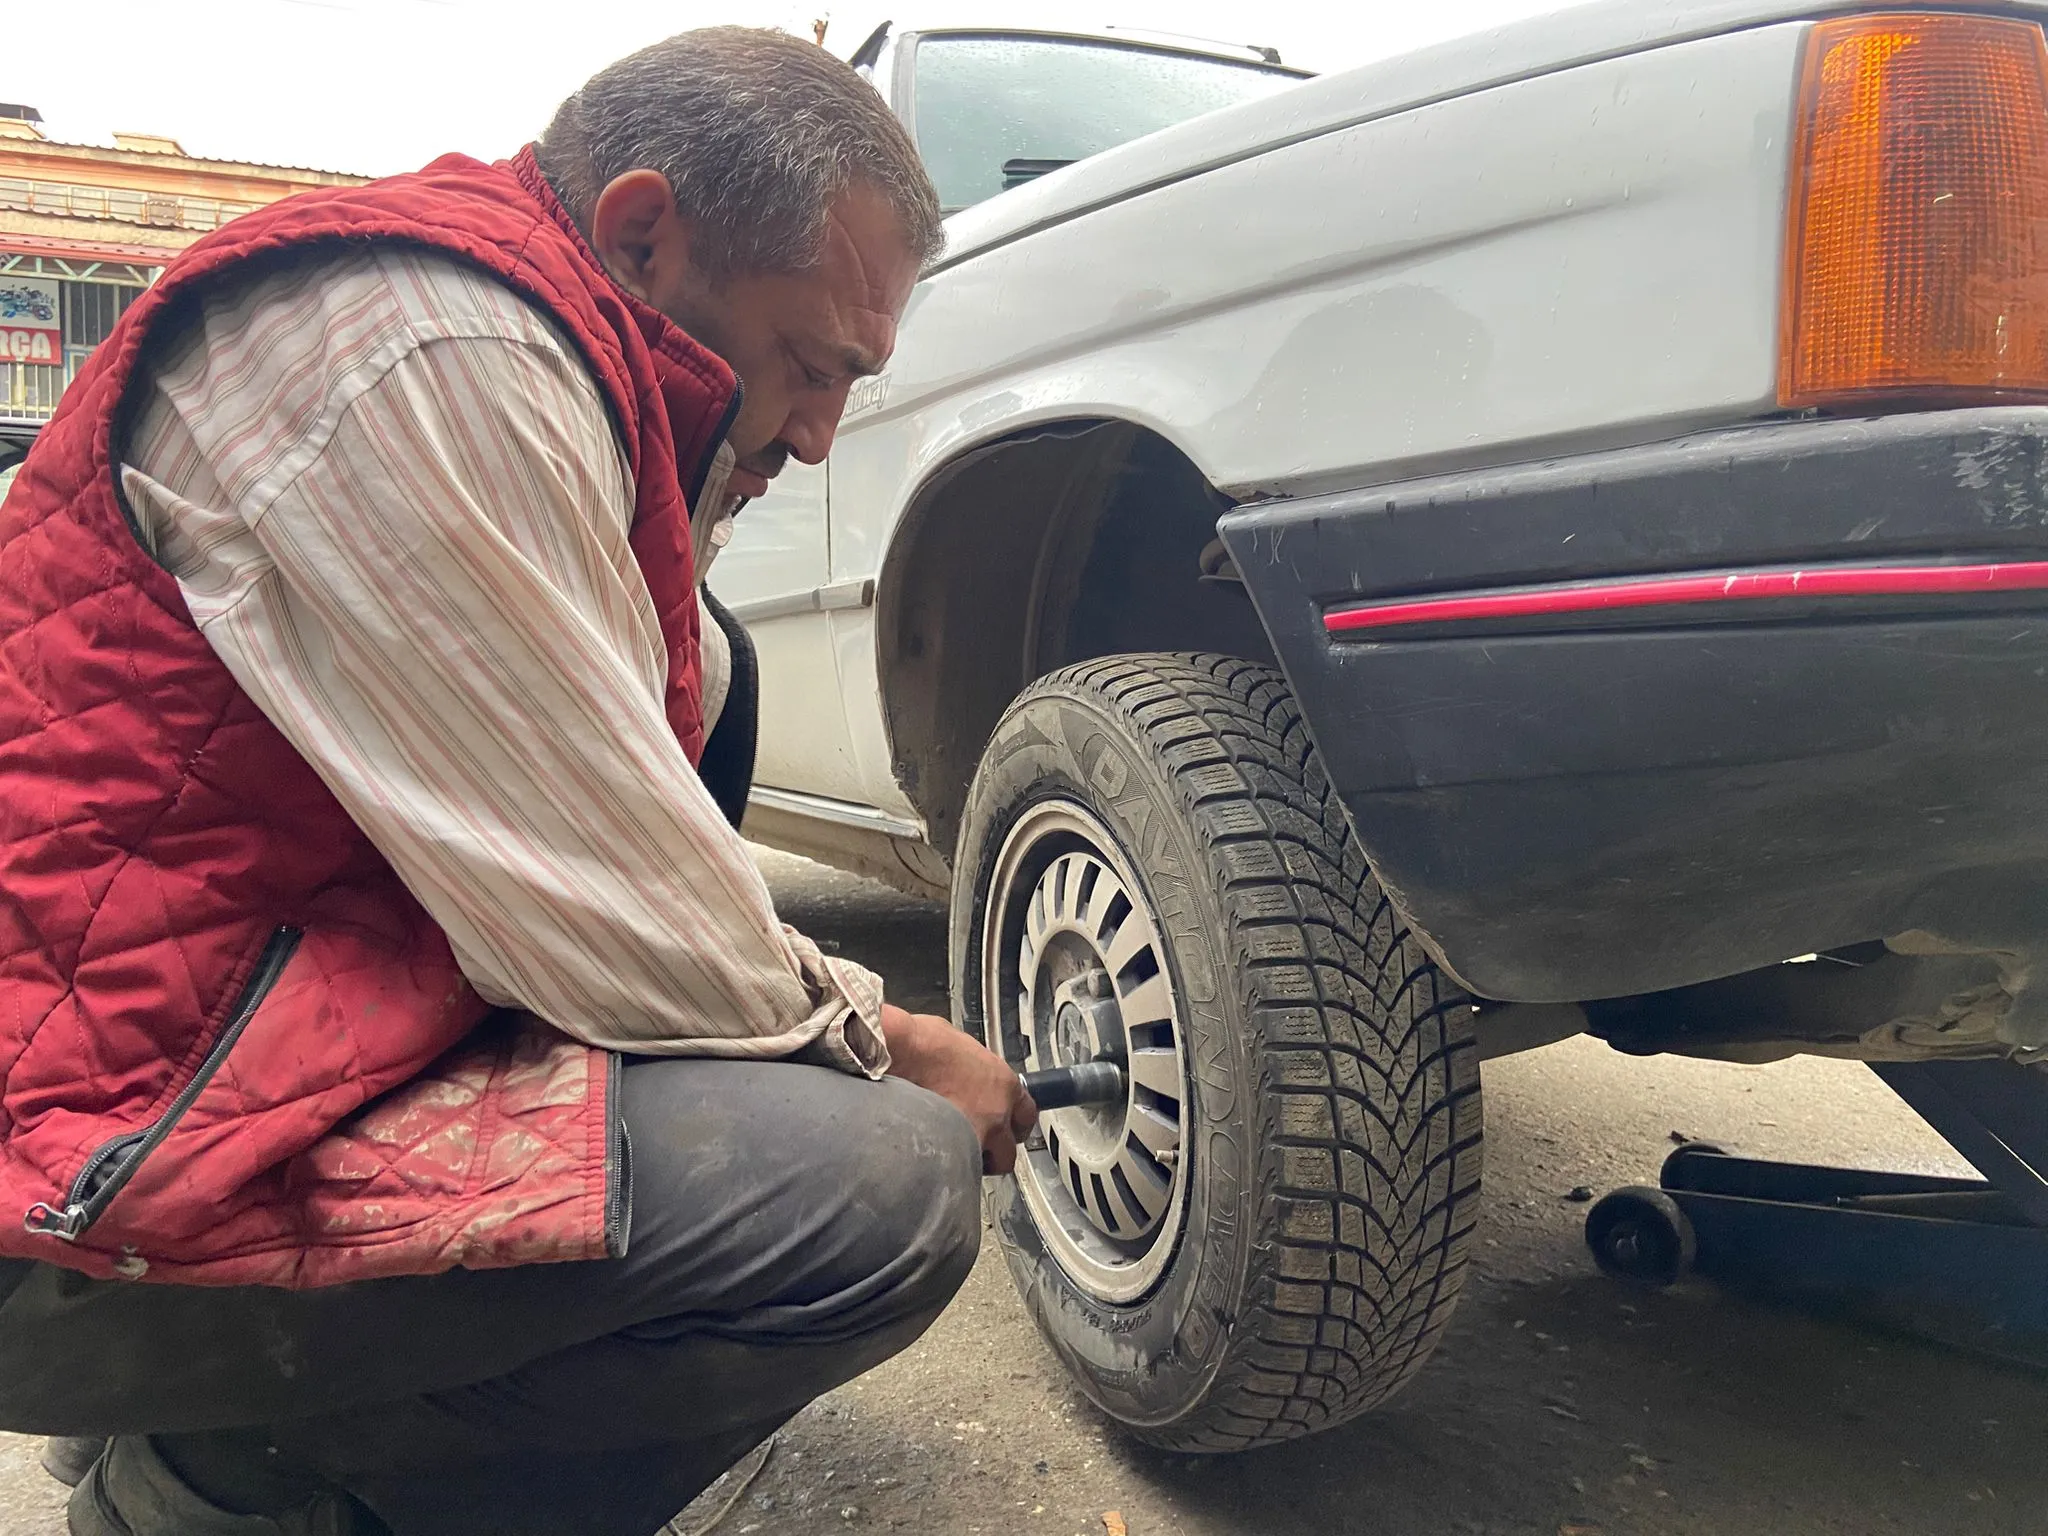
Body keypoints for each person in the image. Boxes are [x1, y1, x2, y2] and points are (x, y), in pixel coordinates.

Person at [0, 27, 1035, 1536]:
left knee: (717, 682)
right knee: (875, 1191)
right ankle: (211, 1491)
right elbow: (629, 917)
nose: (816, 434)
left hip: (201, 1078)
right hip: (75, 1184)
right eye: (811, 366)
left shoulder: (542, 345)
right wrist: (894, 1039)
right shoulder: (433, 351)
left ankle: (215, 1421)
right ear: (637, 232)